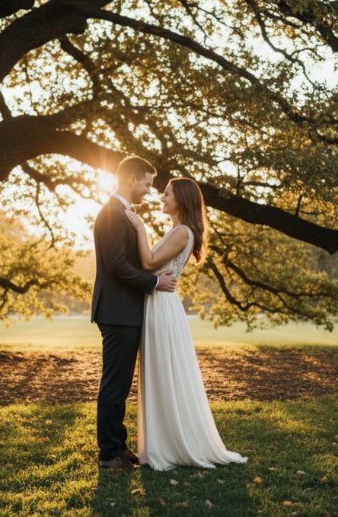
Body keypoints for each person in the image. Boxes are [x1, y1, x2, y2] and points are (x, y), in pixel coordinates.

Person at [124, 177, 248, 471]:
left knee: (164, 370)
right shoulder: (176, 230)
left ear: (181, 198)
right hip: (158, 303)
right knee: (160, 371)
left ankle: (170, 444)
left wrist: (139, 227)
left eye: (166, 194)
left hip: (163, 306)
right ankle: (161, 441)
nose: (161, 198)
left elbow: (149, 262)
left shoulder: (182, 232)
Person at [91, 155, 177, 470]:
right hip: (117, 311)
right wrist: (154, 281)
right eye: (147, 183)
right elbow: (116, 265)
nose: (149, 190)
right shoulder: (113, 213)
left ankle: (118, 445)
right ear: (132, 180)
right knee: (114, 383)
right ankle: (109, 454)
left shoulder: (121, 212)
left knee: (121, 382)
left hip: (123, 310)